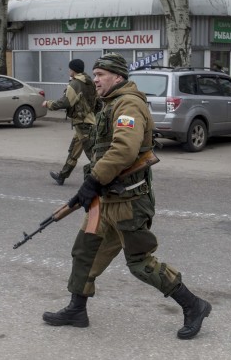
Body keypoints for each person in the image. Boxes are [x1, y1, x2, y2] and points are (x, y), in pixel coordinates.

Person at [43, 53, 211, 340]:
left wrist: (93, 181)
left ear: (118, 77)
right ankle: (76, 309)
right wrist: (94, 185)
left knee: (140, 263)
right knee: (85, 250)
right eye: (94, 74)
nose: (95, 79)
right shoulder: (111, 103)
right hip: (108, 200)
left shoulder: (128, 104)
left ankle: (194, 305)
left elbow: (124, 150)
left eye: (100, 75)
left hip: (130, 203)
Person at [44, 59, 98, 186]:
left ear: (73, 70)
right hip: (88, 120)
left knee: (92, 154)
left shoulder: (75, 84)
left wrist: (48, 104)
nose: (69, 71)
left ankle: (109, 180)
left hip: (83, 123)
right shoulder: (90, 81)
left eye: (69, 69)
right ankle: (62, 176)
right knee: (74, 151)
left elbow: (65, 102)